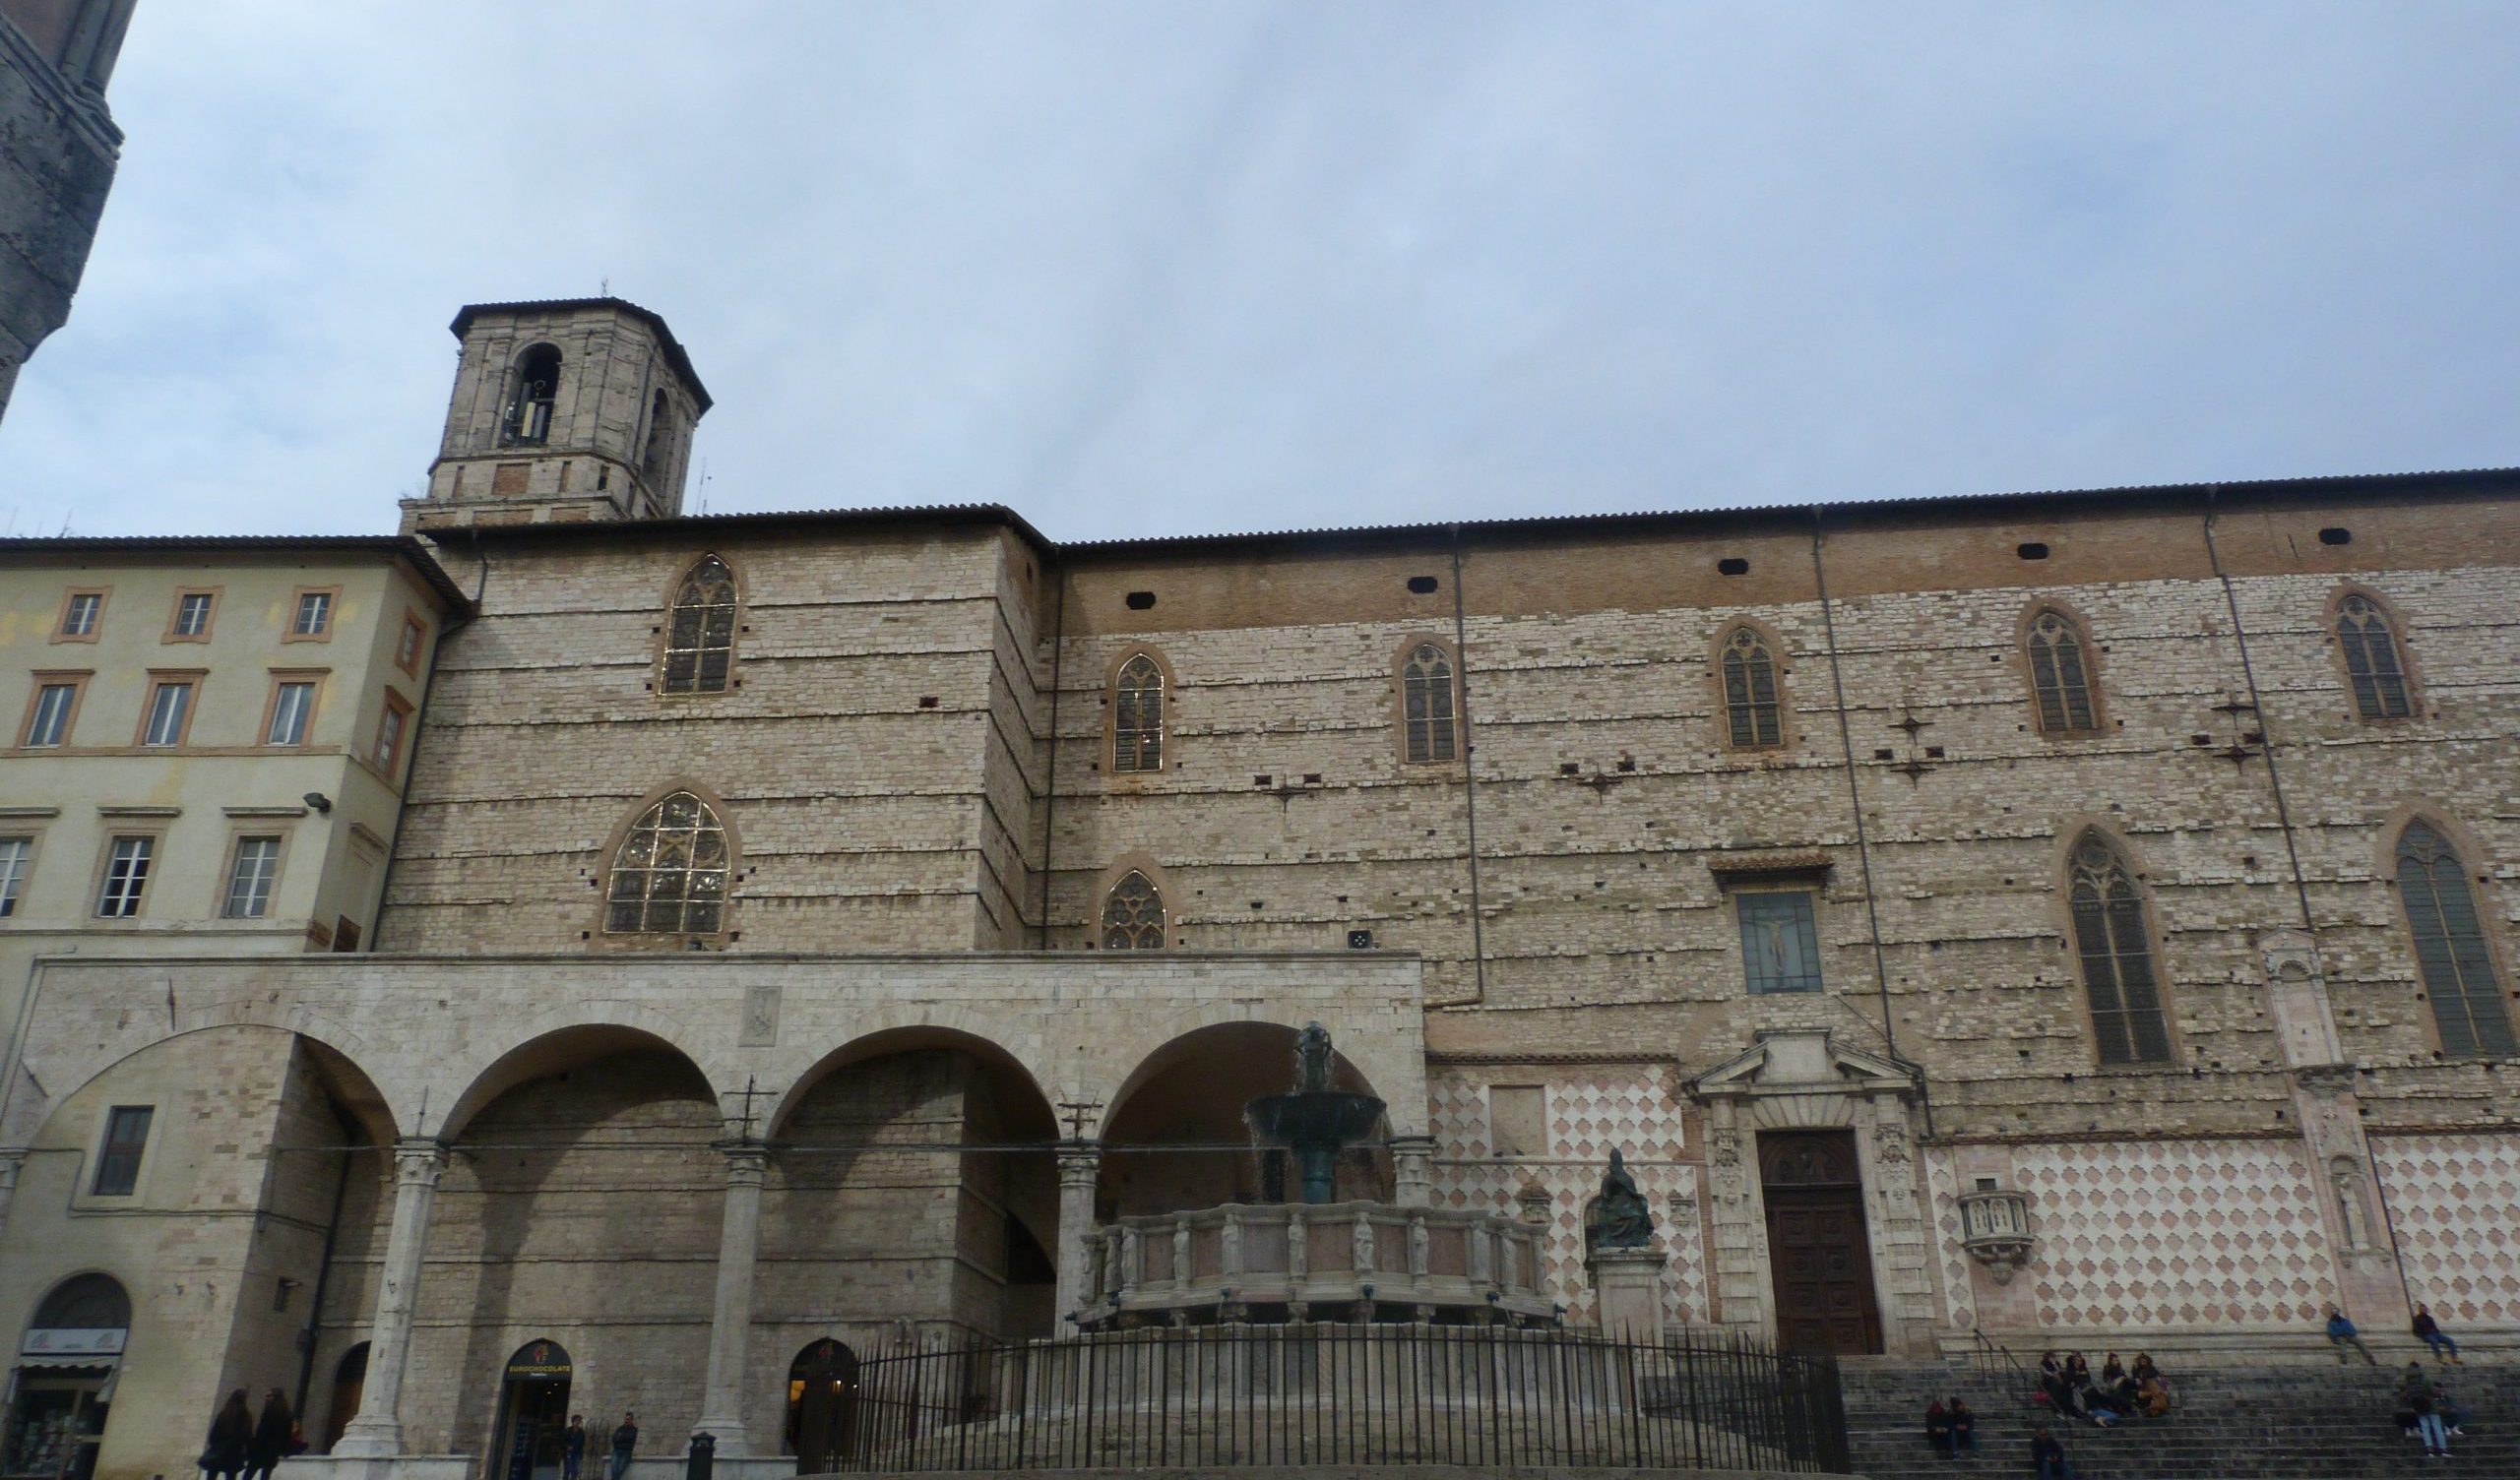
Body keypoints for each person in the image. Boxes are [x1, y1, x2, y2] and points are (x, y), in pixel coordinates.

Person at [201, 1390, 253, 1480]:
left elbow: (215, 1433)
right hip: (235, 1452)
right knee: (231, 1476)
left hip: (219, 1450)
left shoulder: (224, 1414)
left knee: (212, 1475)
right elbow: (247, 1436)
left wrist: (214, 1445)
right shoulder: (246, 1417)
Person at [243, 1389, 294, 1480]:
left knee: (249, 1473)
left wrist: (253, 1446)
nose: (266, 1398)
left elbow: (262, 1432)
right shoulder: (287, 1415)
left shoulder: (269, 1412)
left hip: (261, 1449)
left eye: (269, 1396)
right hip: (273, 1451)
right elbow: (287, 1434)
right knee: (266, 1475)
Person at [607, 1413, 638, 1480]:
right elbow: (614, 1439)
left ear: (632, 1420)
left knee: (620, 1469)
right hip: (617, 1450)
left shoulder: (634, 1429)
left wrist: (620, 1437)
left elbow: (630, 1439)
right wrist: (622, 1438)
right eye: (625, 1419)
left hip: (626, 1452)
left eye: (628, 1419)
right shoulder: (620, 1428)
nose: (626, 1420)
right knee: (614, 1468)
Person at [562, 1416, 588, 1480]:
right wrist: (567, 1446)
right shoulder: (567, 1430)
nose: (578, 1422)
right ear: (573, 1421)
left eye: (579, 1421)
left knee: (575, 1471)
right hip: (568, 1453)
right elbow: (562, 1441)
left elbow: (583, 1442)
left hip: (577, 1453)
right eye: (576, 1421)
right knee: (567, 1470)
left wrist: (581, 1450)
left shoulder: (581, 1432)